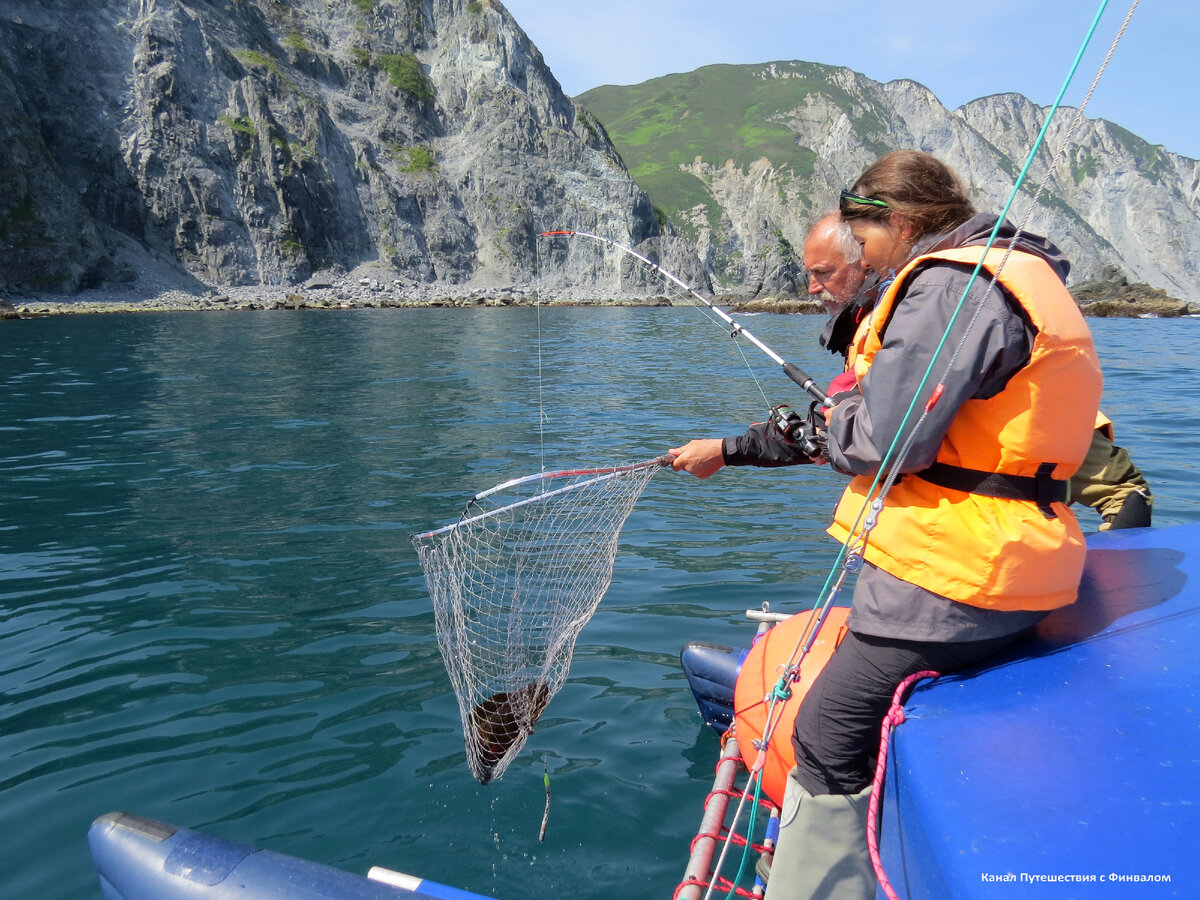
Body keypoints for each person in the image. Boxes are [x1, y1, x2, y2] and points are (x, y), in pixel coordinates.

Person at [673, 150, 1110, 900]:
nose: (854, 259)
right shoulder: (1008, 272)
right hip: (1012, 562)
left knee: (826, 731)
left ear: (898, 224)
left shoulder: (950, 286)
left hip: (960, 574)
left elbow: (887, 441)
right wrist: (768, 439)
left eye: (861, 240)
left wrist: (839, 417)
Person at [674, 217, 1153, 530]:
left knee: (1120, 489)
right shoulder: (882, 320)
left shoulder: (930, 313)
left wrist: (727, 450)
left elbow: (868, 434)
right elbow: (850, 428)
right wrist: (728, 450)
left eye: (824, 272)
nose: (811, 286)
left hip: (1009, 506)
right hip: (960, 533)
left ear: (866, 260)